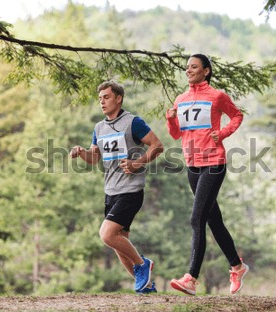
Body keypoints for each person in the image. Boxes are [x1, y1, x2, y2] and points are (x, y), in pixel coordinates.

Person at [166, 54, 249, 295]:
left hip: (214, 162)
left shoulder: (217, 96)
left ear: (206, 71)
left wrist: (222, 134)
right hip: (193, 165)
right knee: (213, 220)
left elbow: (237, 115)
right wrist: (170, 120)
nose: (188, 70)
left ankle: (191, 278)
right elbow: (175, 134)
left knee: (196, 218)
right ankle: (237, 265)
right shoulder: (181, 99)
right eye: (187, 67)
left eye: (193, 67)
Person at [70, 80, 163, 294]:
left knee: (107, 235)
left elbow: (158, 146)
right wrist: (81, 152)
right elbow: (94, 158)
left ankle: (143, 265)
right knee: (119, 243)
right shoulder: (99, 128)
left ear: (118, 98)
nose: (102, 102)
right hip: (110, 191)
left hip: (131, 191)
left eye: (107, 97)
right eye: (100, 98)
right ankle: (147, 287)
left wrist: (136, 163)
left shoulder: (133, 122)